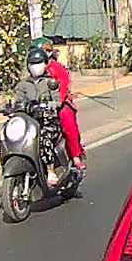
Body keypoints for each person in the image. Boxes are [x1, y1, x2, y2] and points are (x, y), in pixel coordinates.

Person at [32, 39, 85, 172]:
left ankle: (75, 155)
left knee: (67, 120)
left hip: (57, 104)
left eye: (45, 51)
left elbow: (62, 88)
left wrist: (56, 102)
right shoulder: (30, 70)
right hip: (37, 105)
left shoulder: (56, 68)